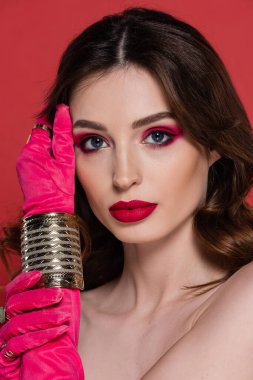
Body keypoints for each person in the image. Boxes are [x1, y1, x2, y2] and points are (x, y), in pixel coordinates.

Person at [1, 5, 253, 379]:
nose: (123, 176)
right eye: (94, 142)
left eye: (157, 136)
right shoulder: (25, 329)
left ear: (213, 141)